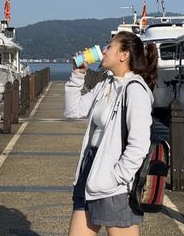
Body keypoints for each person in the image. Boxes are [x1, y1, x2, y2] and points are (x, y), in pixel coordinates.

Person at [64, 31, 158, 236]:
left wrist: (116, 177)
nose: (103, 50)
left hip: (113, 180)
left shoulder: (135, 90)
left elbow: (139, 145)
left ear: (123, 55)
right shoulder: (106, 84)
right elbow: (73, 111)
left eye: (109, 47)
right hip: (89, 169)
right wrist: (77, 75)